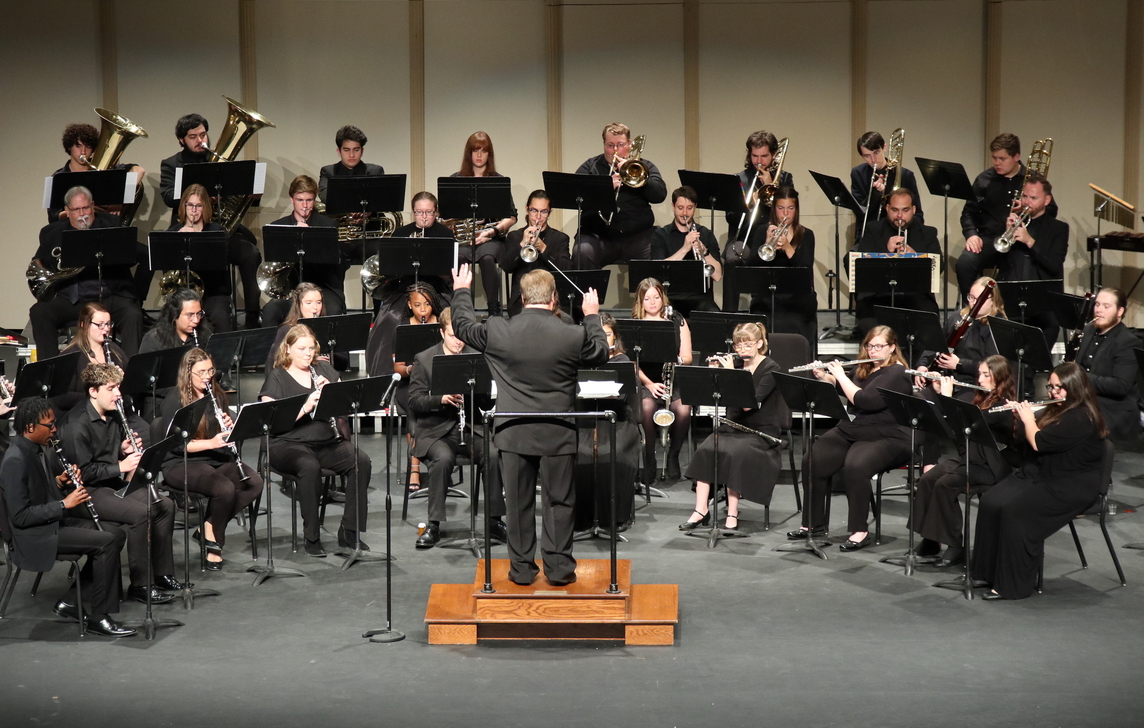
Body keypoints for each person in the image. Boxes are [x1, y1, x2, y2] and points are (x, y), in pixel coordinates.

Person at [450, 266, 608, 586]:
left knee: (518, 503)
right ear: (554, 299)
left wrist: (462, 290)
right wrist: (591, 315)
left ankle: (522, 570)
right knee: (559, 502)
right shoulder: (572, 333)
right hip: (558, 432)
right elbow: (601, 352)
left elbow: (462, 325)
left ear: (521, 299)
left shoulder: (498, 330)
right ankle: (559, 569)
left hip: (513, 432)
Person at [972, 363, 1108, 600]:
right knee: (991, 501)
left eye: (1060, 387)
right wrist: (1019, 419)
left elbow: (1039, 443)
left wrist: (1028, 419)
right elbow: (1028, 444)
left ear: (1075, 387)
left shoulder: (1081, 417)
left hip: (1069, 485)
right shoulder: (1057, 409)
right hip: (1041, 474)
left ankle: (1013, 586)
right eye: (1052, 386)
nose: (1054, 392)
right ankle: (987, 572)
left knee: (1015, 511)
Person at [0, 397, 133, 637]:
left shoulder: (33, 449)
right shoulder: (15, 460)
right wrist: (65, 503)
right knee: (106, 542)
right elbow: (20, 516)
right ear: (30, 427)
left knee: (116, 533)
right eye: (49, 425)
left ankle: (72, 602)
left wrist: (60, 484)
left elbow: (37, 492)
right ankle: (99, 617)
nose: (54, 429)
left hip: (50, 522)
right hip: (35, 535)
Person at [60, 363, 182, 605]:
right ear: (93, 391)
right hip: (85, 493)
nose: (118, 394)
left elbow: (104, 454)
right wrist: (122, 466)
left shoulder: (114, 414)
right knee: (141, 513)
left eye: (118, 388)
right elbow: (83, 473)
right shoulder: (77, 425)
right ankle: (140, 585)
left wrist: (122, 449)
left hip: (109, 484)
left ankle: (162, 573)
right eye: (111, 388)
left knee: (165, 505)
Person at [787, 326, 912, 550]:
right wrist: (826, 377)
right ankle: (812, 524)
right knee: (813, 460)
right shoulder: (866, 367)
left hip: (887, 435)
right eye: (870, 346)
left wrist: (840, 375)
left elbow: (865, 400)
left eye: (879, 346)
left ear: (892, 348)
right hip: (854, 429)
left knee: (855, 466)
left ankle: (860, 531)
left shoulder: (897, 372)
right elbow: (847, 390)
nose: (873, 351)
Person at [259, 324, 372, 557]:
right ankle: (312, 536)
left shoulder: (325, 371)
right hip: (287, 443)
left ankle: (349, 530)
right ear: (288, 349)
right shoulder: (277, 376)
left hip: (325, 442)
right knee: (309, 467)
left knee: (361, 460)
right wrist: (306, 406)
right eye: (301, 348)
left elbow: (347, 408)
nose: (308, 353)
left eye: (311, 348)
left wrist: (333, 394)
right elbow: (271, 423)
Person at [407, 307, 506, 548]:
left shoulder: (477, 356)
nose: (458, 341)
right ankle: (434, 525)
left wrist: (481, 390)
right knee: (442, 460)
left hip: (470, 427)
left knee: (492, 455)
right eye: (453, 335)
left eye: (462, 335)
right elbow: (414, 400)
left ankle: (493, 521)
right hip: (436, 430)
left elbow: (487, 401)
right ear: (442, 333)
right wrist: (440, 399)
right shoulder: (425, 358)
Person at [679, 322, 788, 531]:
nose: (742, 351)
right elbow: (713, 397)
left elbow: (748, 405)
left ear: (759, 343)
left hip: (761, 432)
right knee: (708, 448)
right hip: (732, 427)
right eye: (738, 346)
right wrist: (715, 376)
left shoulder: (771, 368)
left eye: (747, 346)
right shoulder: (736, 365)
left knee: (735, 454)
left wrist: (731, 375)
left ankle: (732, 512)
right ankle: (701, 510)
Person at [910, 356, 1018, 567]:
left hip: (991, 466)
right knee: (928, 479)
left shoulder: (1002, 405)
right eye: (980, 374)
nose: (980, 379)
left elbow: (974, 423)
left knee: (945, 484)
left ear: (1001, 378)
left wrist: (946, 397)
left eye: (987, 375)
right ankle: (930, 540)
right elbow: (956, 432)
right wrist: (943, 396)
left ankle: (955, 546)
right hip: (969, 459)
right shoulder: (979, 398)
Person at [159, 348, 262, 569]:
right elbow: (176, 444)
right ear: (188, 373)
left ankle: (207, 526)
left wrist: (230, 427)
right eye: (201, 372)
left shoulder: (216, 395)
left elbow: (222, 435)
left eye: (210, 371)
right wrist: (213, 442)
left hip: (214, 458)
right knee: (223, 489)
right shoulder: (174, 400)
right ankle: (214, 543)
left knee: (253, 483)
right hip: (181, 462)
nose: (207, 377)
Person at [158, 113, 263, 328]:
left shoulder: (221, 161)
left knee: (250, 252)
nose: (200, 140)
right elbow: (168, 196)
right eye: (193, 137)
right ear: (181, 140)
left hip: (220, 229)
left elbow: (238, 196)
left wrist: (250, 195)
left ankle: (253, 314)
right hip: (189, 229)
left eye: (203, 134)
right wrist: (199, 197)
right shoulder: (171, 164)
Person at [30, 186, 145, 358]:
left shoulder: (112, 225)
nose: (82, 213)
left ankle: (129, 376)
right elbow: (40, 263)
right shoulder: (52, 233)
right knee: (40, 312)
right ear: (67, 211)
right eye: (76, 209)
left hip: (109, 295)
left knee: (132, 314)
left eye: (86, 208)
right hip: (72, 299)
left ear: (92, 206)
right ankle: (51, 373)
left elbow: (137, 254)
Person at [955, 133, 1059, 300]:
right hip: (989, 240)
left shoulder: (1033, 180)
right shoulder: (984, 180)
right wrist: (971, 235)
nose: (997, 163)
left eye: (1002, 158)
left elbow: (1052, 211)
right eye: (994, 158)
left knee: (1021, 271)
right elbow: (969, 212)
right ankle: (973, 309)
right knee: (964, 264)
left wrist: (1030, 208)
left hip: (1020, 242)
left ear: (1016, 156)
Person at [573, 313, 640, 533]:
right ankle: (582, 517)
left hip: (617, 419)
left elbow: (620, 399)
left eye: (607, 334)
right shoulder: (578, 360)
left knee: (612, 451)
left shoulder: (621, 362)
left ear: (615, 337)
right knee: (579, 452)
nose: (603, 338)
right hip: (585, 419)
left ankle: (614, 516)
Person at [850, 188, 942, 338]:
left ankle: (919, 362)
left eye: (905, 210)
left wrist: (916, 257)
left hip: (916, 297)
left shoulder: (928, 233)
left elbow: (939, 267)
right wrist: (885, 251)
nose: (899, 216)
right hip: (878, 297)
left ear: (913, 210)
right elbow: (862, 265)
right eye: (894, 210)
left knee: (927, 325)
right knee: (870, 327)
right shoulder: (873, 230)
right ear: (887, 209)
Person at [573, 122, 667, 270]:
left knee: (657, 249)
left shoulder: (643, 166)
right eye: (610, 145)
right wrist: (605, 187)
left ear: (630, 144)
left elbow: (660, 195)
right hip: (599, 236)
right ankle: (589, 294)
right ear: (604, 144)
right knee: (582, 252)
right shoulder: (590, 167)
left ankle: (650, 294)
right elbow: (576, 196)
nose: (615, 150)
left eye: (620, 145)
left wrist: (637, 178)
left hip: (638, 237)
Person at [444, 132, 517, 317]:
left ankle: (494, 310)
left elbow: (512, 217)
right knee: (458, 259)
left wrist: (491, 232)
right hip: (464, 241)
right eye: (475, 150)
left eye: (484, 151)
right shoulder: (456, 180)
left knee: (486, 258)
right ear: (469, 153)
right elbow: (446, 216)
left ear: (489, 154)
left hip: (492, 239)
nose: (479, 155)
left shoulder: (498, 181)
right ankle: (461, 310)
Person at [992, 174, 1069, 346]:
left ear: (1047, 200)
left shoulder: (1058, 228)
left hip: (1042, 301)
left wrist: (1029, 241)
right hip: (1010, 297)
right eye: (1025, 196)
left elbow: (1054, 264)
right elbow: (997, 261)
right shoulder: (1012, 222)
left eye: (1033, 198)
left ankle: (1030, 372)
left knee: (1049, 327)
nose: (1027, 202)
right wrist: (1007, 232)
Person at [723, 131, 793, 311]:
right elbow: (730, 217)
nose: (759, 161)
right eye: (754, 156)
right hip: (744, 238)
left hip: (772, 239)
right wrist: (750, 206)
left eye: (764, 156)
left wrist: (773, 188)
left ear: (774, 155)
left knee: (777, 258)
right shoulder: (739, 179)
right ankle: (729, 315)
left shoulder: (785, 179)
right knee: (732, 259)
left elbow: (787, 215)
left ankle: (767, 313)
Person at [632, 278, 693, 483]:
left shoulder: (677, 320)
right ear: (640, 301)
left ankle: (674, 455)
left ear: (662, 297)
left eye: (656, 297)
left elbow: (688, 356)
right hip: (646, 381)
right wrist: (649, 384)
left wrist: (676, 360)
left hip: (672, 379)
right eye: (647, 298)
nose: (652, 302)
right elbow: (632, 362)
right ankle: (650, 460)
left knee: (684, 409)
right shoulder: (635, 324)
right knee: (646, 408)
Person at [262, 175, 342, 329]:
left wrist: (311, 240)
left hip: (322, 287)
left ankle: (329, 353)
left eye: (309, 200)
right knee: (270, 310)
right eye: (300, 200)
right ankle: (271, 352)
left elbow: (335, 262)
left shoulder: (328, 225)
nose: (305, 205)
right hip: (291, 289)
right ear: (292, 199)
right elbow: (274, 264)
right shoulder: (278, 226)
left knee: (333, 309)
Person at [744, 186, 819, 349]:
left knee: (794, 320)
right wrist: (766, 243)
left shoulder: (807, 234)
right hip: (768, 295)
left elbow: (805, 269)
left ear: (796, 209)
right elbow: (751, 267)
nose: (785, 214)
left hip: (797, 297)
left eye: (790, 208)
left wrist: (787, 247)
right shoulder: (762, 231)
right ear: (774, 209)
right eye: (780, 208)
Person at [1073, 287, 1140, 442]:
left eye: (1106, 306)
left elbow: (1121, 386)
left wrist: (1080, 378)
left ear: (1119, 311)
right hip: (1085, 402)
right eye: (1097, 305)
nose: (1099, 310)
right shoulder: (1088, 330)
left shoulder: (1127, 341)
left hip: (1112, 409)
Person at [913, 277, 1005, 389]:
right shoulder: (958, 316)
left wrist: (959, 364)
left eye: (979, 299)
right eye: (971, 297)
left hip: (975, 386)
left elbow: (994, 367)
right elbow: (936, 342)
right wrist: (922, 365)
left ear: (993, 301)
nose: (973, 303)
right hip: (946, 379)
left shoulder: (998, 326)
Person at [167, 184, 234, 333]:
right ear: (184, 206)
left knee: (220, 317)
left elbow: (220, 265)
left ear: (205, 207)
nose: (194, 210)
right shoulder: (173, 232)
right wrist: (179, 243)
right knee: (168, 318)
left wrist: (197, 242)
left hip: (213, 292)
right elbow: (167, 271)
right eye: (190, 205)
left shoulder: (218, 232)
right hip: (184, 293)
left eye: (198, 206)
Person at [47, 122, 145, 222]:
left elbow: (139, 170)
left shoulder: (102, 170)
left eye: (88, 147)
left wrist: (119, 199)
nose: (83, 152)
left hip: (103, 224)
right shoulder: (59, 177)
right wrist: (83, 210)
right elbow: (53, 216)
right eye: (78, 146)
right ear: (69, 147)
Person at [371, 191, 454, 307]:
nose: (424, 217)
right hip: (405, 288)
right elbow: (391, 269)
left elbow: (450, 271)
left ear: (435, 212)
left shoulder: (446, 234)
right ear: (413, 212)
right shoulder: (400, 233)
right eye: (419, 212)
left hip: (437, 288)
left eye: (429, 212)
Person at [650, 185, 722, 317]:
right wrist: (684, 249)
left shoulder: (706, 234)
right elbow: (657, 273)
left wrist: (705, 252)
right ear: (673, 207)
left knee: (715, 317)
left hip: (700, 298)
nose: (684, 213)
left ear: (695, 207)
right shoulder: (661, 235)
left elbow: (717, 276)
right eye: (680, 208)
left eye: (689, 208)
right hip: (670, 297)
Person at [501, 190, 570, 316]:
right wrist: (522, 244)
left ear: (550, 212)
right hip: (521, 301)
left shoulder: (560, 238)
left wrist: (544, 249)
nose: (538, 217)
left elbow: (566, 269)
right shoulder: (515, 237)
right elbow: (506, 266)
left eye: (543, 211)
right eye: (534, 210)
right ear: (527, 210)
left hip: (551, 301)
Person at [56, 302, 130, 414]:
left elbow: (132, 385)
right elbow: (61, 398)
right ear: (84, 325)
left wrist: (123, 379)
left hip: (115, 413)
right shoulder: (70, 356)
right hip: (83, 416)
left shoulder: (114, 350)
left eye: (108, 324)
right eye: (100, 324)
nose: (106, 329)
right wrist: (98, 398)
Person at [850, 130, 924, 238]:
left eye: (876, 152)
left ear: (884, 148)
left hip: (898, 233)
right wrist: (875, 194)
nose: (873, 159)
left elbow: (917, 214)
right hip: (869, 233)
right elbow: (860, 212)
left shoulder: (905, 175)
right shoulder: (858, 173)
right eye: (867, 156)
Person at [318, 125, 385, 202]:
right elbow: (325, 195)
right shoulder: (328, 171)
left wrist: (368, 210)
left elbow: (380, 197)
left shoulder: (375, 171)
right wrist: (352, 205)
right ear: (339, 152)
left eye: (356, 150)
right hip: (339, 213)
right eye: (346, 150)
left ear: (362, 151)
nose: (352, 155)